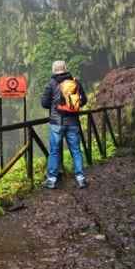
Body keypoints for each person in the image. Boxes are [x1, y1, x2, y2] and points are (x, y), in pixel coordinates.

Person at [41, 60, 88, 189]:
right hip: (73, 122)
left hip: (57, 123)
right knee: (76, 150)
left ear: (53, 70)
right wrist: (72, 107)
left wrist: (55, 104)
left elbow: (44, 103)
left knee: (54, 151)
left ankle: (51, 180)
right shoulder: (75, 82)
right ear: (66, 69)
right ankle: (81, 178)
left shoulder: (51, 83)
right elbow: (83, 100)